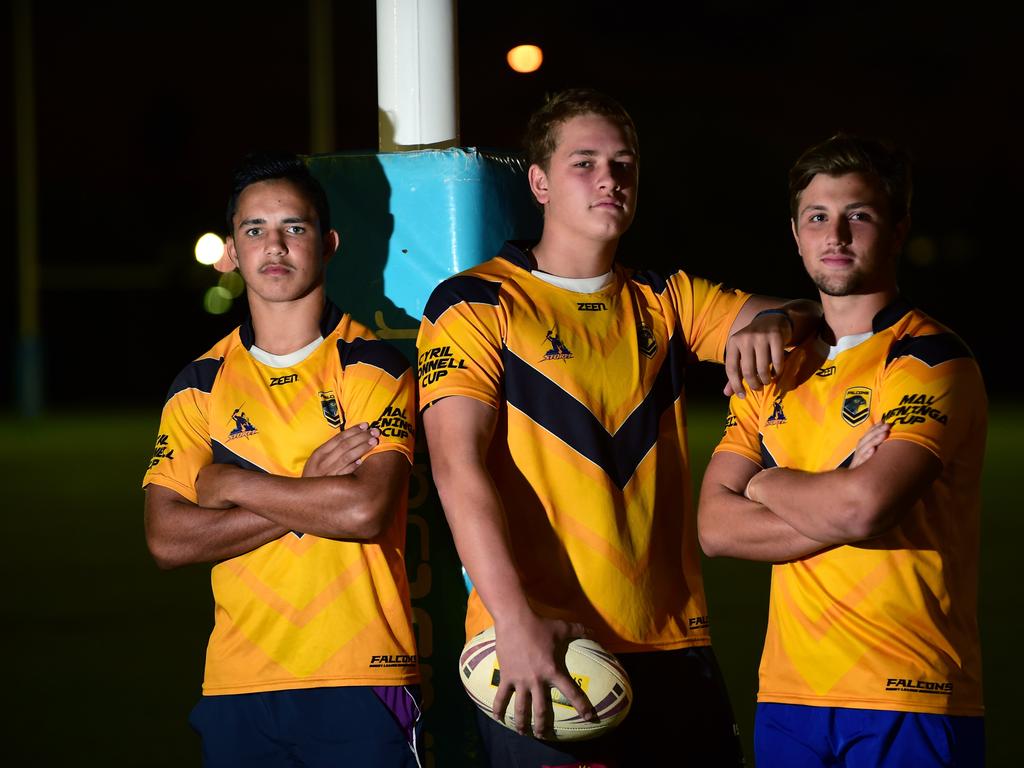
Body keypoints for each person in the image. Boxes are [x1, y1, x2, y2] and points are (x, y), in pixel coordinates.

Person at [416, 88, 821, 765]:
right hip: (548, 650)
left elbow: (805, 310)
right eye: (585, 162)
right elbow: (456, 467)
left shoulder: (665, 299)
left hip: (675, 647)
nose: (611, 178)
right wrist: (512, 622)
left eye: (624, 163)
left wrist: (781, 321)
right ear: (539, 182)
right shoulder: (477, 303)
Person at [698, 134, 985, 767]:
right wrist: (829, 487)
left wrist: (763, 480)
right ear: (796, 234)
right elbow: (714, 528)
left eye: (859, 215)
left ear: (899, 226)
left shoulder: (929, 358)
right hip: (788, 696)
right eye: (818, 218)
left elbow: (863, 509)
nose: (837, 235)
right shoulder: (771, 365)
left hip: (909, 692)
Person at [142, 153, 422, 767]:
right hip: (237, 681)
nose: (274, 245)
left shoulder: (373, 367)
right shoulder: (198, 385)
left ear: (328, 243)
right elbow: (167, 539)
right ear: (231, 255)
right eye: (254, 230)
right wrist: (307, 487)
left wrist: (230, 484)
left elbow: (363, 510)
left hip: (360, 674)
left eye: (294, 228)